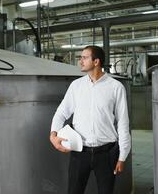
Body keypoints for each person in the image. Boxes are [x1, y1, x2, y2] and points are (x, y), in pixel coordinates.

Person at [50, 45, 131, 194]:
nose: (80, 61)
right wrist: (53, 135)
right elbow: (61, 112)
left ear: (96, 62)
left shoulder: (116, 87)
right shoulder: (76, 86)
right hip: (79, 152)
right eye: (80, 58)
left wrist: (123, 156)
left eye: (84, 57)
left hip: (106, 154)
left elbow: (123, 123)